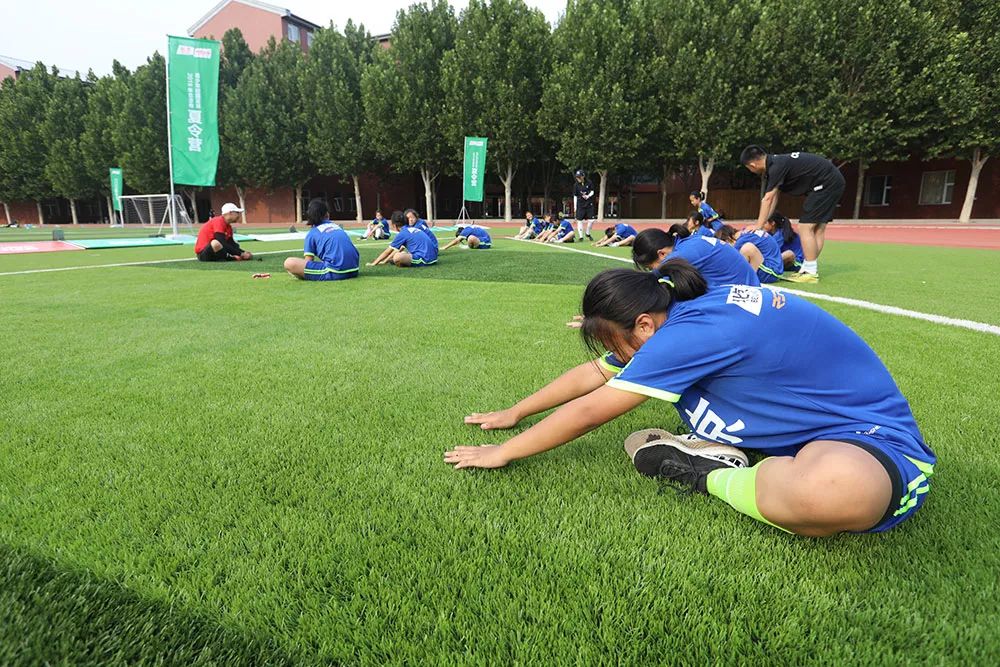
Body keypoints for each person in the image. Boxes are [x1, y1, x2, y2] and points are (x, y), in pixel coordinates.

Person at [445, 260, 935, 537]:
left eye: (616, 342)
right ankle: (738, 459)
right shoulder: (679, 314)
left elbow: (592, 409)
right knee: (813, 487)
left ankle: (713, 474)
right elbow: (593, 375)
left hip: (867, 436)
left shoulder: (691, 334)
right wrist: (517, 411)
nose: (617, 357)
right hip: (807, 440)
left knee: (834, 495)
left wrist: (503, 452)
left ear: (642, 323)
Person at [740, 145, 845, 283]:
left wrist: (758, 225)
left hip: (826, 184)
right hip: (831, 181)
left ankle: (810, 272)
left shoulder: (775, 167)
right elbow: (774, 198)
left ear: (752, 164)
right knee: (818, 228)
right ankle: (808, 268)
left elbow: (768, 198)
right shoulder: (775, 164)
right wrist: (763, 221)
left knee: (805, 227)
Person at [632, 226, 760, 288]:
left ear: (662, 254)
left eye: (650, 267)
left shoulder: (682, 255)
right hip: (749, 292)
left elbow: (650, 280)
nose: (653, 270)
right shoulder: (688, 242)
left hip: (746, 303)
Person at [283, 198, 360, 281]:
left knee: (289, 262)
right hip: (354, 269)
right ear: (327, 214)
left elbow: (308, 261)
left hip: (335, 272)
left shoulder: (312, 233)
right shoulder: (336, 226)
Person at [367, 209, 439, 267]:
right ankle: (394, 260)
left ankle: (398, 262)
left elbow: (388, 251)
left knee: (397, 257)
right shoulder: (409, 229)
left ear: (394, 225)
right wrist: (384, 261)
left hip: (425, 259)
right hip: (434, 257)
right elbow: (398, 249)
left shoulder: (402, 233)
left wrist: (374, 263)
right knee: (400, 253)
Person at [715, 224, 784, 284]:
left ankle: (748, 281)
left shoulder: (741, 240)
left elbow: (731, 262)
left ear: (728, 239)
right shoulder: (746, 233)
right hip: (772, 269)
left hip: (770, 272)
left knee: (747, 248)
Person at [573, 169, 597, 241]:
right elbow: (575, 196)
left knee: (592, 220)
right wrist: (575, 207)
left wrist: (588, 196)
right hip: (580, 204)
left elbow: (592, 191)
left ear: (583, 176)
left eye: (579, 177)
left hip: (589, 204)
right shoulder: (576, 185)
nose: (578, 178)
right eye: (577, 177)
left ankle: (587, 232)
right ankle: (581, 236)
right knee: (579, 220)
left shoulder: (589, 182)